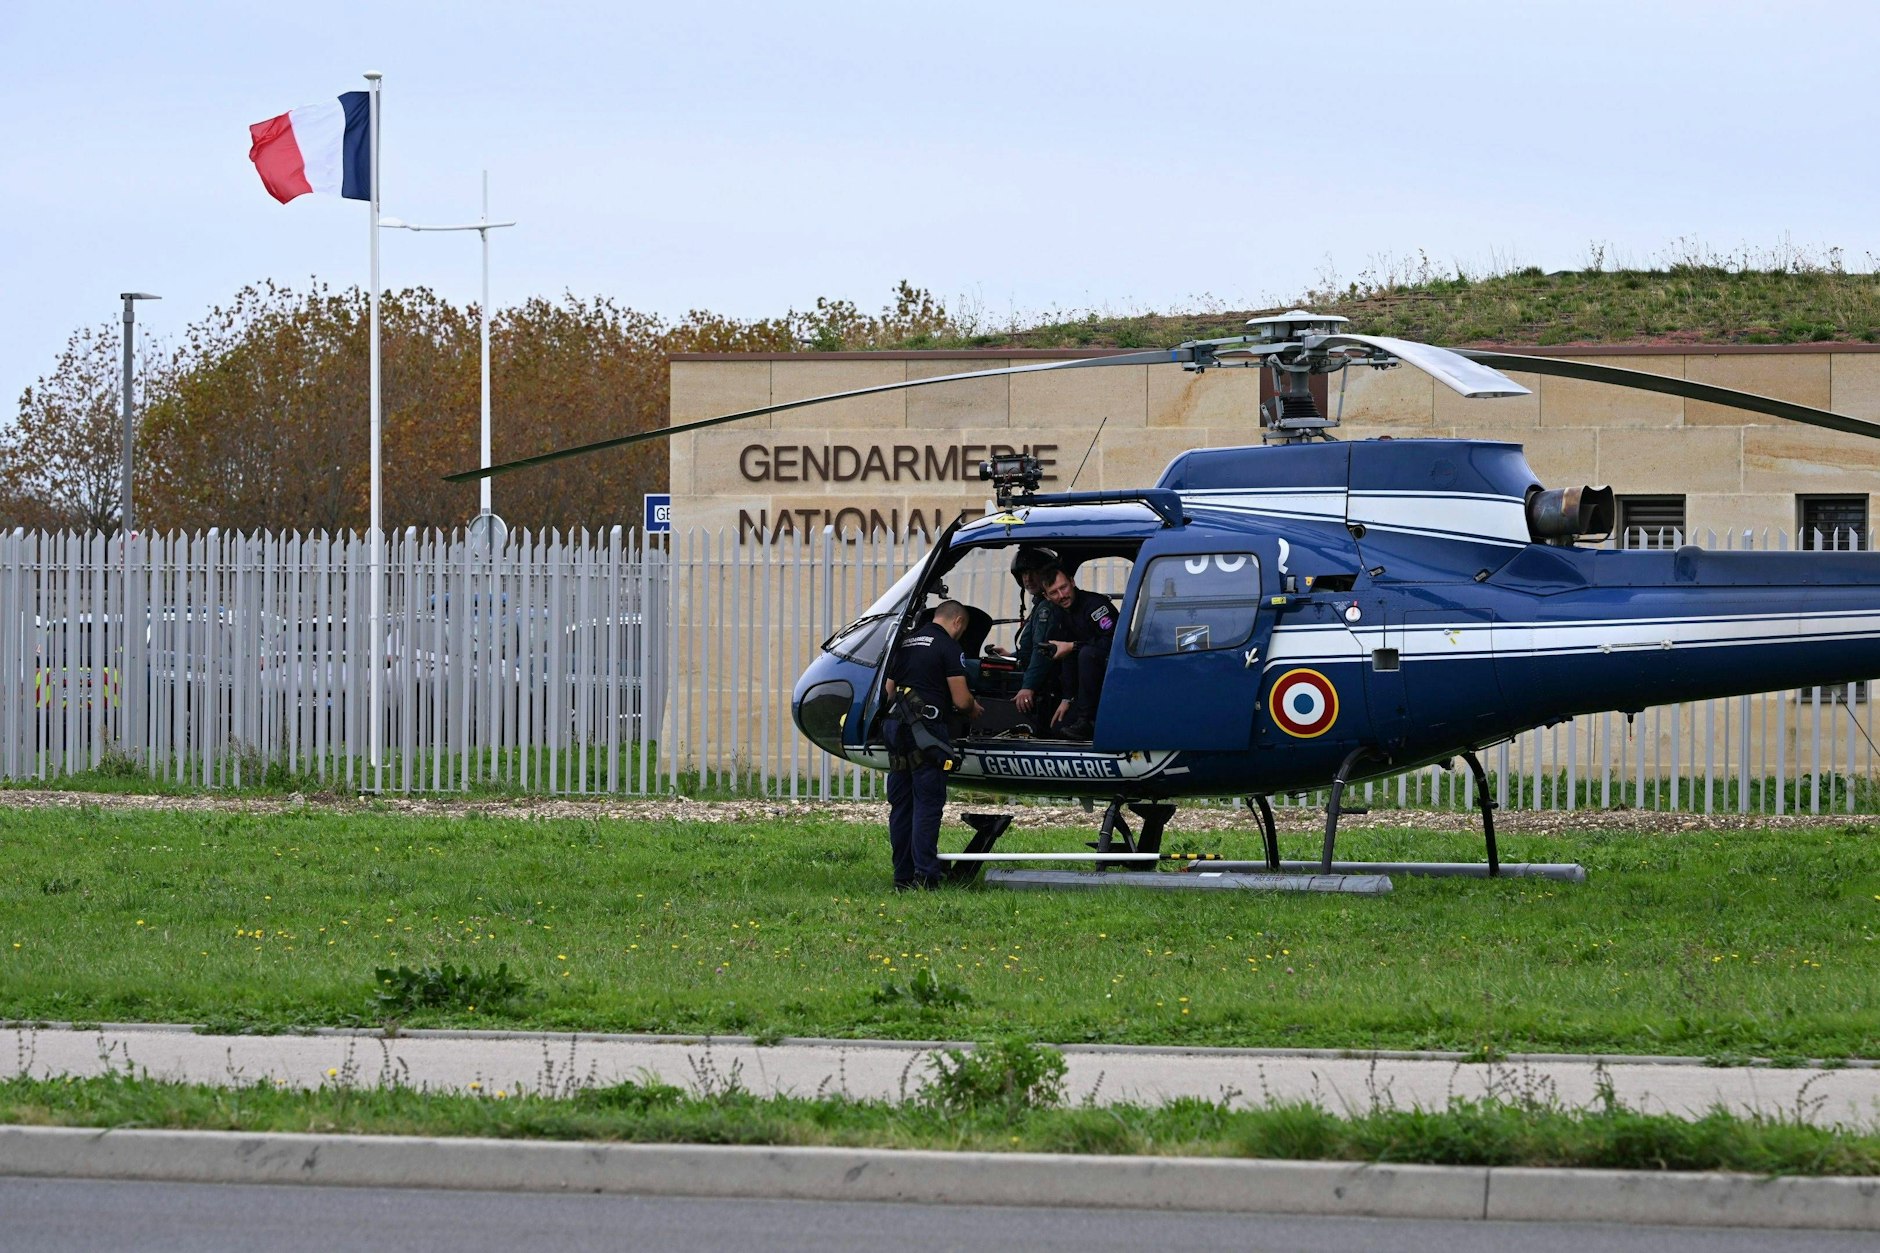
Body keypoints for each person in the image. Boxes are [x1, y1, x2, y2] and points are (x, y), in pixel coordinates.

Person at [882, 600, 982, 890]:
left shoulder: (905, 641)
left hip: (895, 730)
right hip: (925, 732)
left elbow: (887, 693)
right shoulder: (949, 647)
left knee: (901, 805)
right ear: (958, 622)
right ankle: (926, 876)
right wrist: (973, 709)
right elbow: (961, 701)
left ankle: (903, 877)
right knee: (927, 803)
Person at [1039, 562, 1117, 740]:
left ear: (1072, 582)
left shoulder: (1096, 606)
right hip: (1083, 690)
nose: (1061, 595)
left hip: (1110, 681)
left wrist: (1073, 646)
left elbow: (1114, 642)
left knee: (1087, 653)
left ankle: (1088, 722)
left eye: (1063, 587)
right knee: (1057, 728)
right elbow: (1066, 657)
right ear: (1046, 596)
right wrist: (1066, 698)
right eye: (1054, 593)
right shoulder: (1059, 613)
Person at [1006, 547, 1064, 726]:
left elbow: (1042, 651)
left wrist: (1028, 687)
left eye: (1034, 573)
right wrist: (1010, 656)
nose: (1027, 579)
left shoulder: (1046, 608)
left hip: (1041, 683)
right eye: (1024, 573)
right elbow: (1033, 649)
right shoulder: (1040, 605)